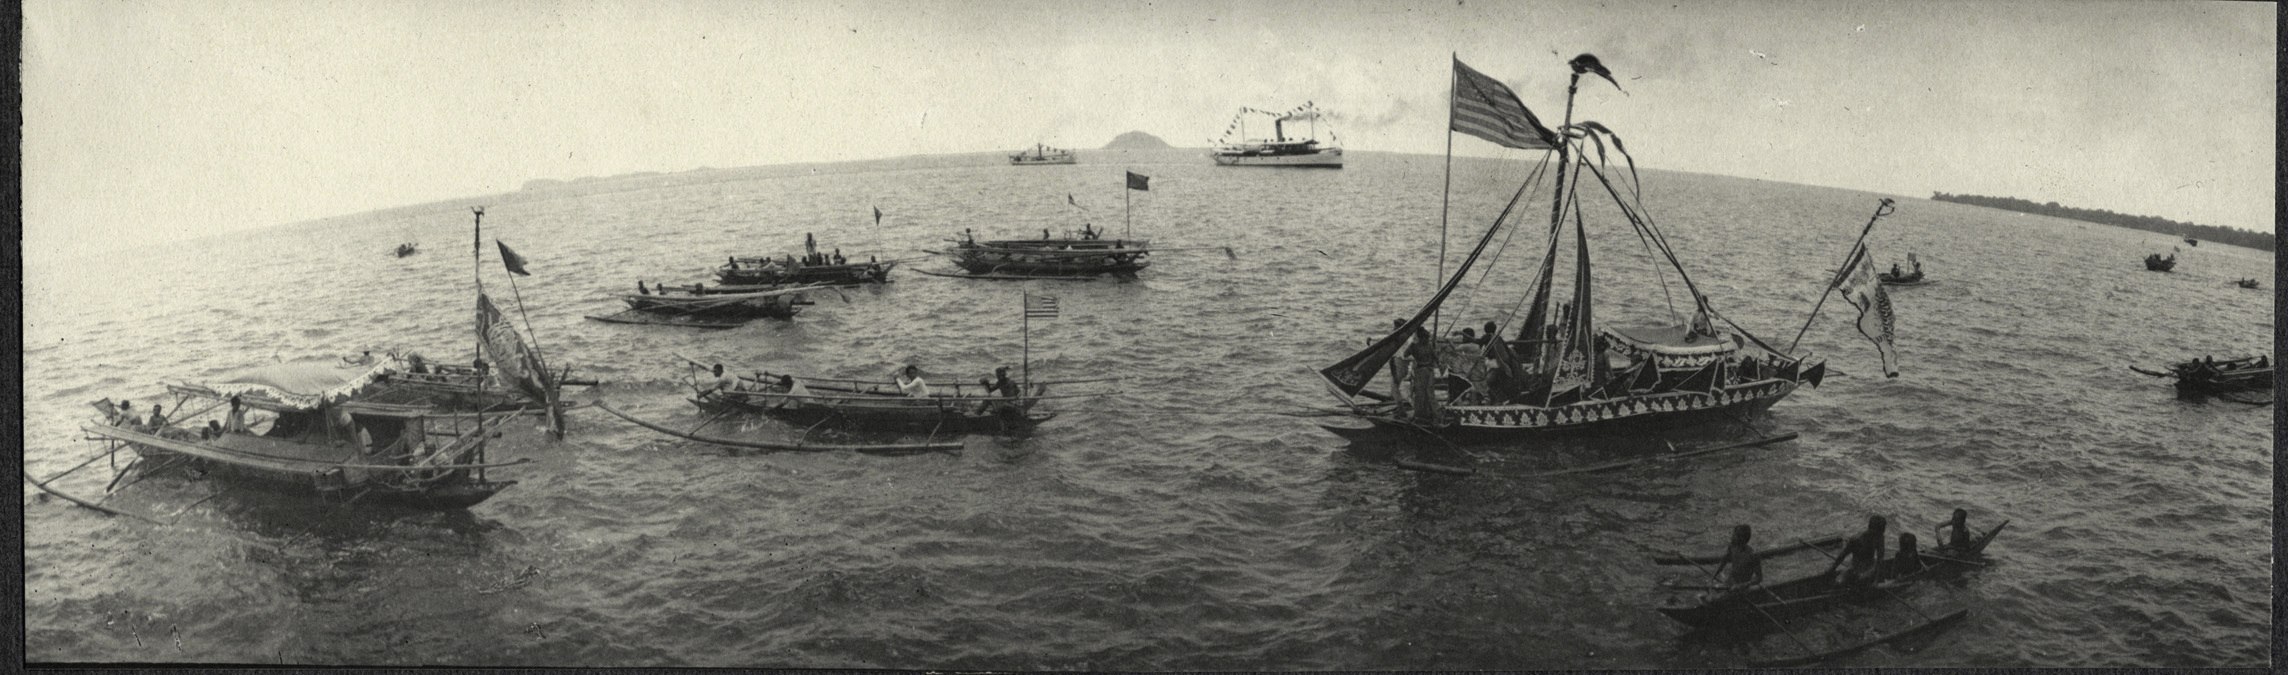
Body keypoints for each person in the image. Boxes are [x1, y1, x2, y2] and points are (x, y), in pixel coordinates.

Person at [1827, 515, 1888, 587]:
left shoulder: (1879, 538)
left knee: (1861, 579)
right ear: (1873, 530)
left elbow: (1880, 560)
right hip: (1854, 566)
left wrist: (1876, 581)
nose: (1882, 535)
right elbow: (1843, 555)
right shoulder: (1856, 540)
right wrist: (1832, 569)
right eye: (1880, 532)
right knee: (1838, 581)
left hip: (1870, 566)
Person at [1712, 524, 1763, 591]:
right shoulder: (1732, 547)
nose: (1732, 537)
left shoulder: (1753, 555)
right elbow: (1723, 561)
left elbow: (1759, 578)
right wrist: (1713, 576)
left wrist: (1743, 585)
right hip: (1729, 582)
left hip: (1741, 588)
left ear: (1741, 538)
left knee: (1711, 599)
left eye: (1734, 535)